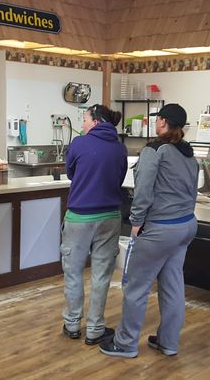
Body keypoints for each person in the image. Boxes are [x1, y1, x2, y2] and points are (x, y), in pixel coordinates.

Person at [99, 103, 199, 358]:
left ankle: (125, 343)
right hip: (186, 225)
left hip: (160, 228)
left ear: (163, 123)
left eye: (157, 120)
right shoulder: (188, 153)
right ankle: (168, 342)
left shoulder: (155, 151)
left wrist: (136, 221)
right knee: (173, 285)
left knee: (136, 286)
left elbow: (143, 190)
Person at [60, 104, 127, 346]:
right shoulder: (120, 148)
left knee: (74, 271)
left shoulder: (79, 143)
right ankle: (95, 329)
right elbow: (119, 179)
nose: (83, 124)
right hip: (110, 217)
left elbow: (70, 172)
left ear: (96, 121)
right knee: (101, 275)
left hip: (79, 217)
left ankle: (72, 324)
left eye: (85, 119)